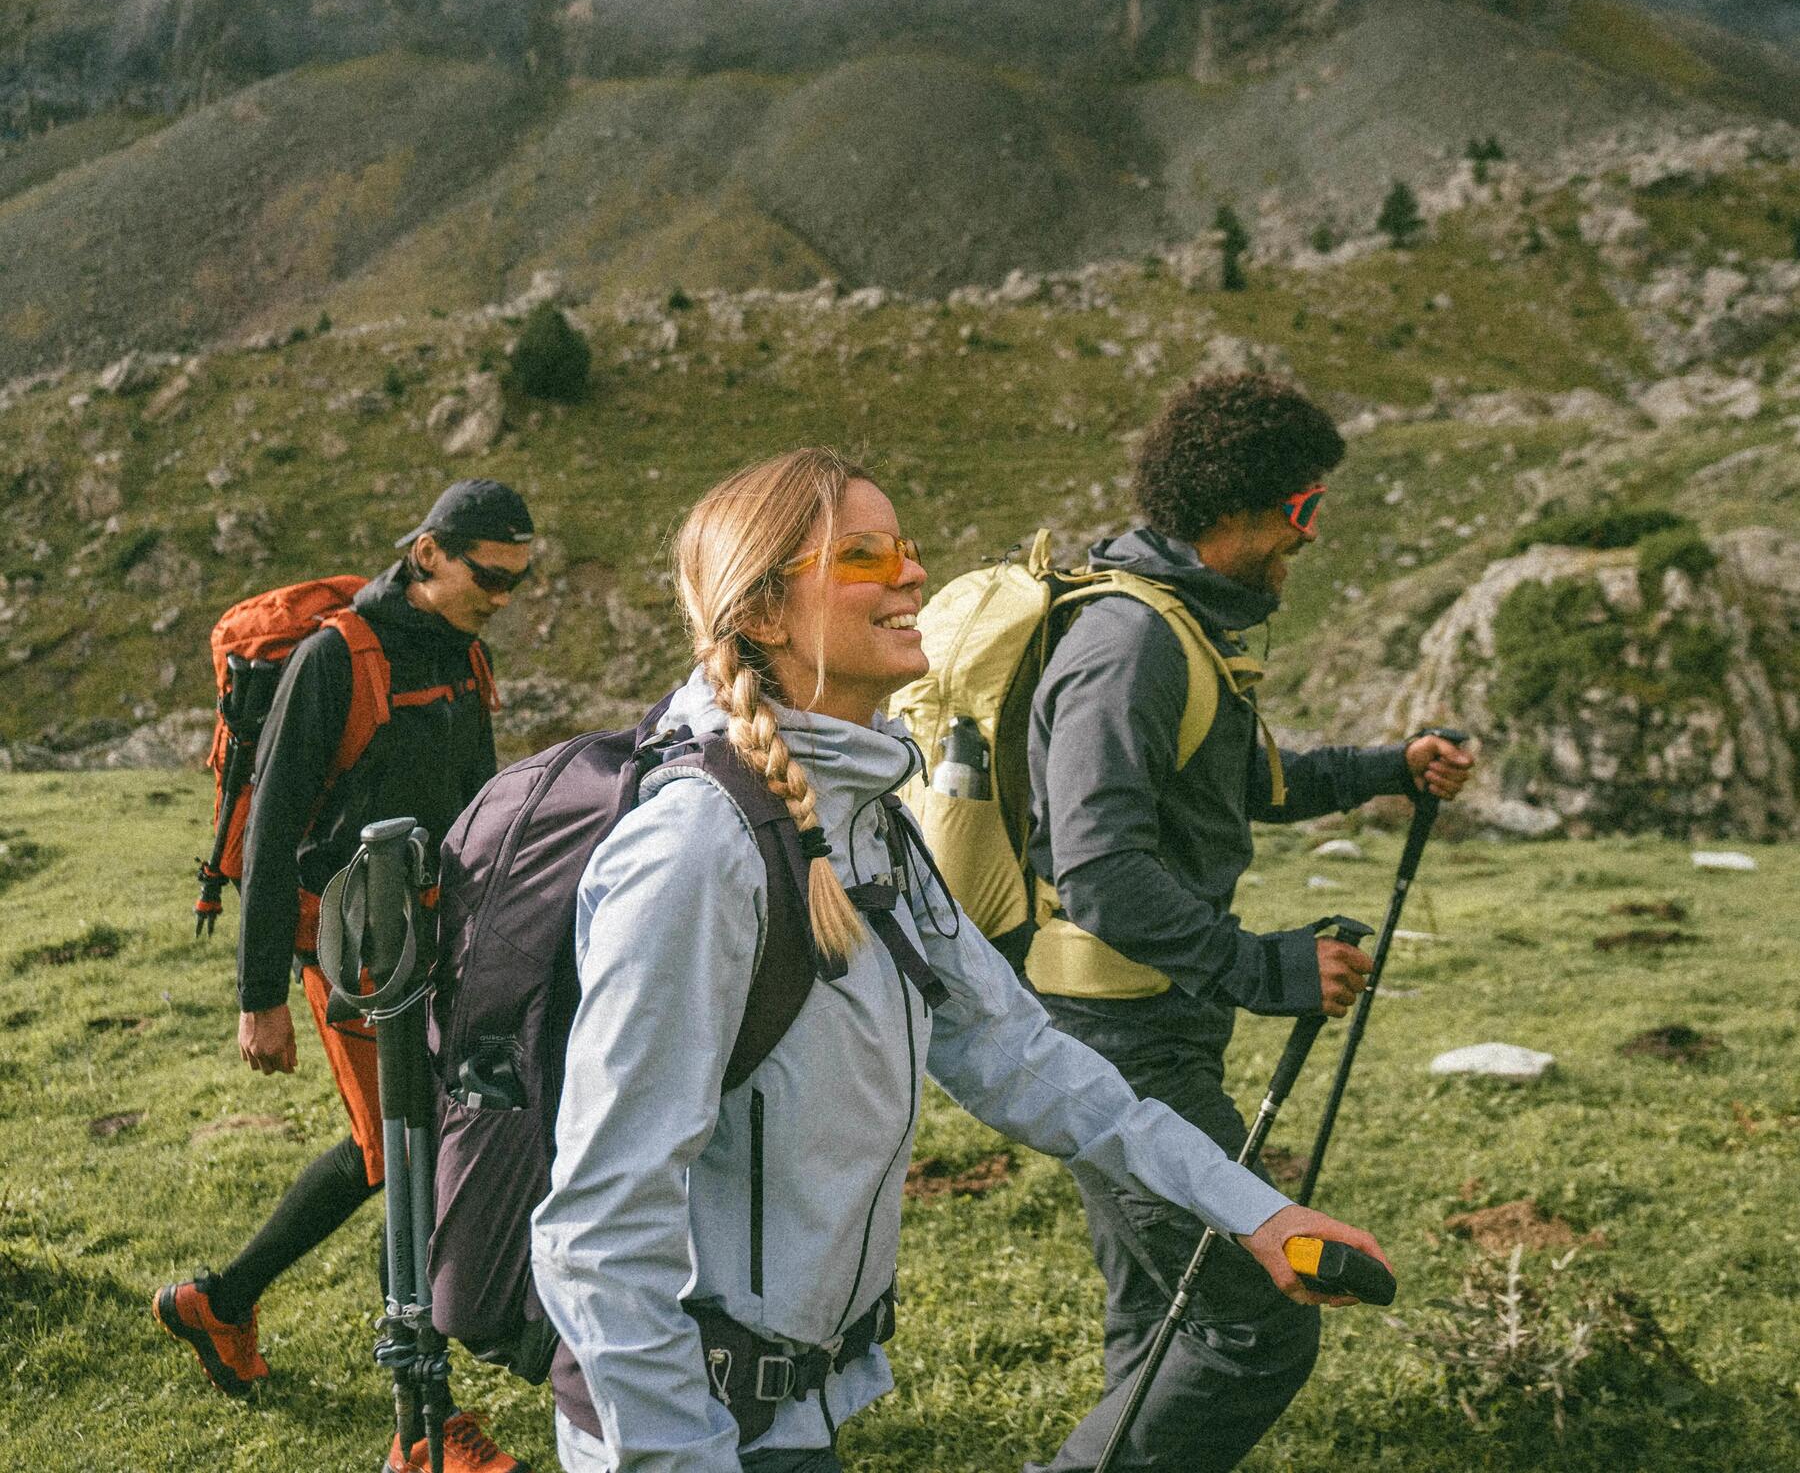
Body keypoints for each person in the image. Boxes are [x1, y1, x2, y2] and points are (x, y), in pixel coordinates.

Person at [530, 447, 1391, 1473]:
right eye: (862, 555)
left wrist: (1252, 1210)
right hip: (684, 1431)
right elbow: (598, 1228)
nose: (910, 576)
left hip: (783, 1418)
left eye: (906, 548)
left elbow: (1030, 1060)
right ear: (761, 612)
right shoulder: (697, 851)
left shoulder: (868, 825)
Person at [1023, 372, 1477, 1473]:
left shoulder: (1180, 626)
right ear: (1240, 506)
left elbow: (1244, 783)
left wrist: (1386, 768)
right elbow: (1099, 869)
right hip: (1117, 1036)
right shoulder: (1129, 645)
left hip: (1139, 1022)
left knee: (1166, 1311)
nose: (1309, 539)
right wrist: (1264, 969)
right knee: (1255, 1318)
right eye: (1305, 511)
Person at [155, 477, 536, 1473]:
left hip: (440, 944)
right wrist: (258, 1002)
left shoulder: (461, 651)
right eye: (488, 577)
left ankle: (218, 1303)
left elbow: (481, 804)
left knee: (391, 1153)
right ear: (427, 554)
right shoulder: (337, 660)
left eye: (518, 581)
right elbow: (275, 828)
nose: (502, 597)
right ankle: (425, 1421)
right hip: (354, 958)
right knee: (409, 1158)